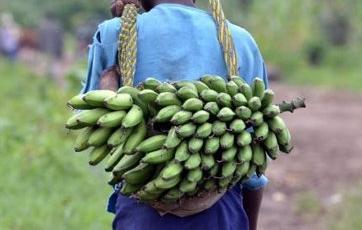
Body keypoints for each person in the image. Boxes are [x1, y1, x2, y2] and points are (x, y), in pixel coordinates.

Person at [82, 0, 269, 229]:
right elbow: (253, 160)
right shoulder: (242, 41)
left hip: (141, 214)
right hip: (221, 212)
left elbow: (92, 124)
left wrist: (109, 71)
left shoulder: (114, 34)